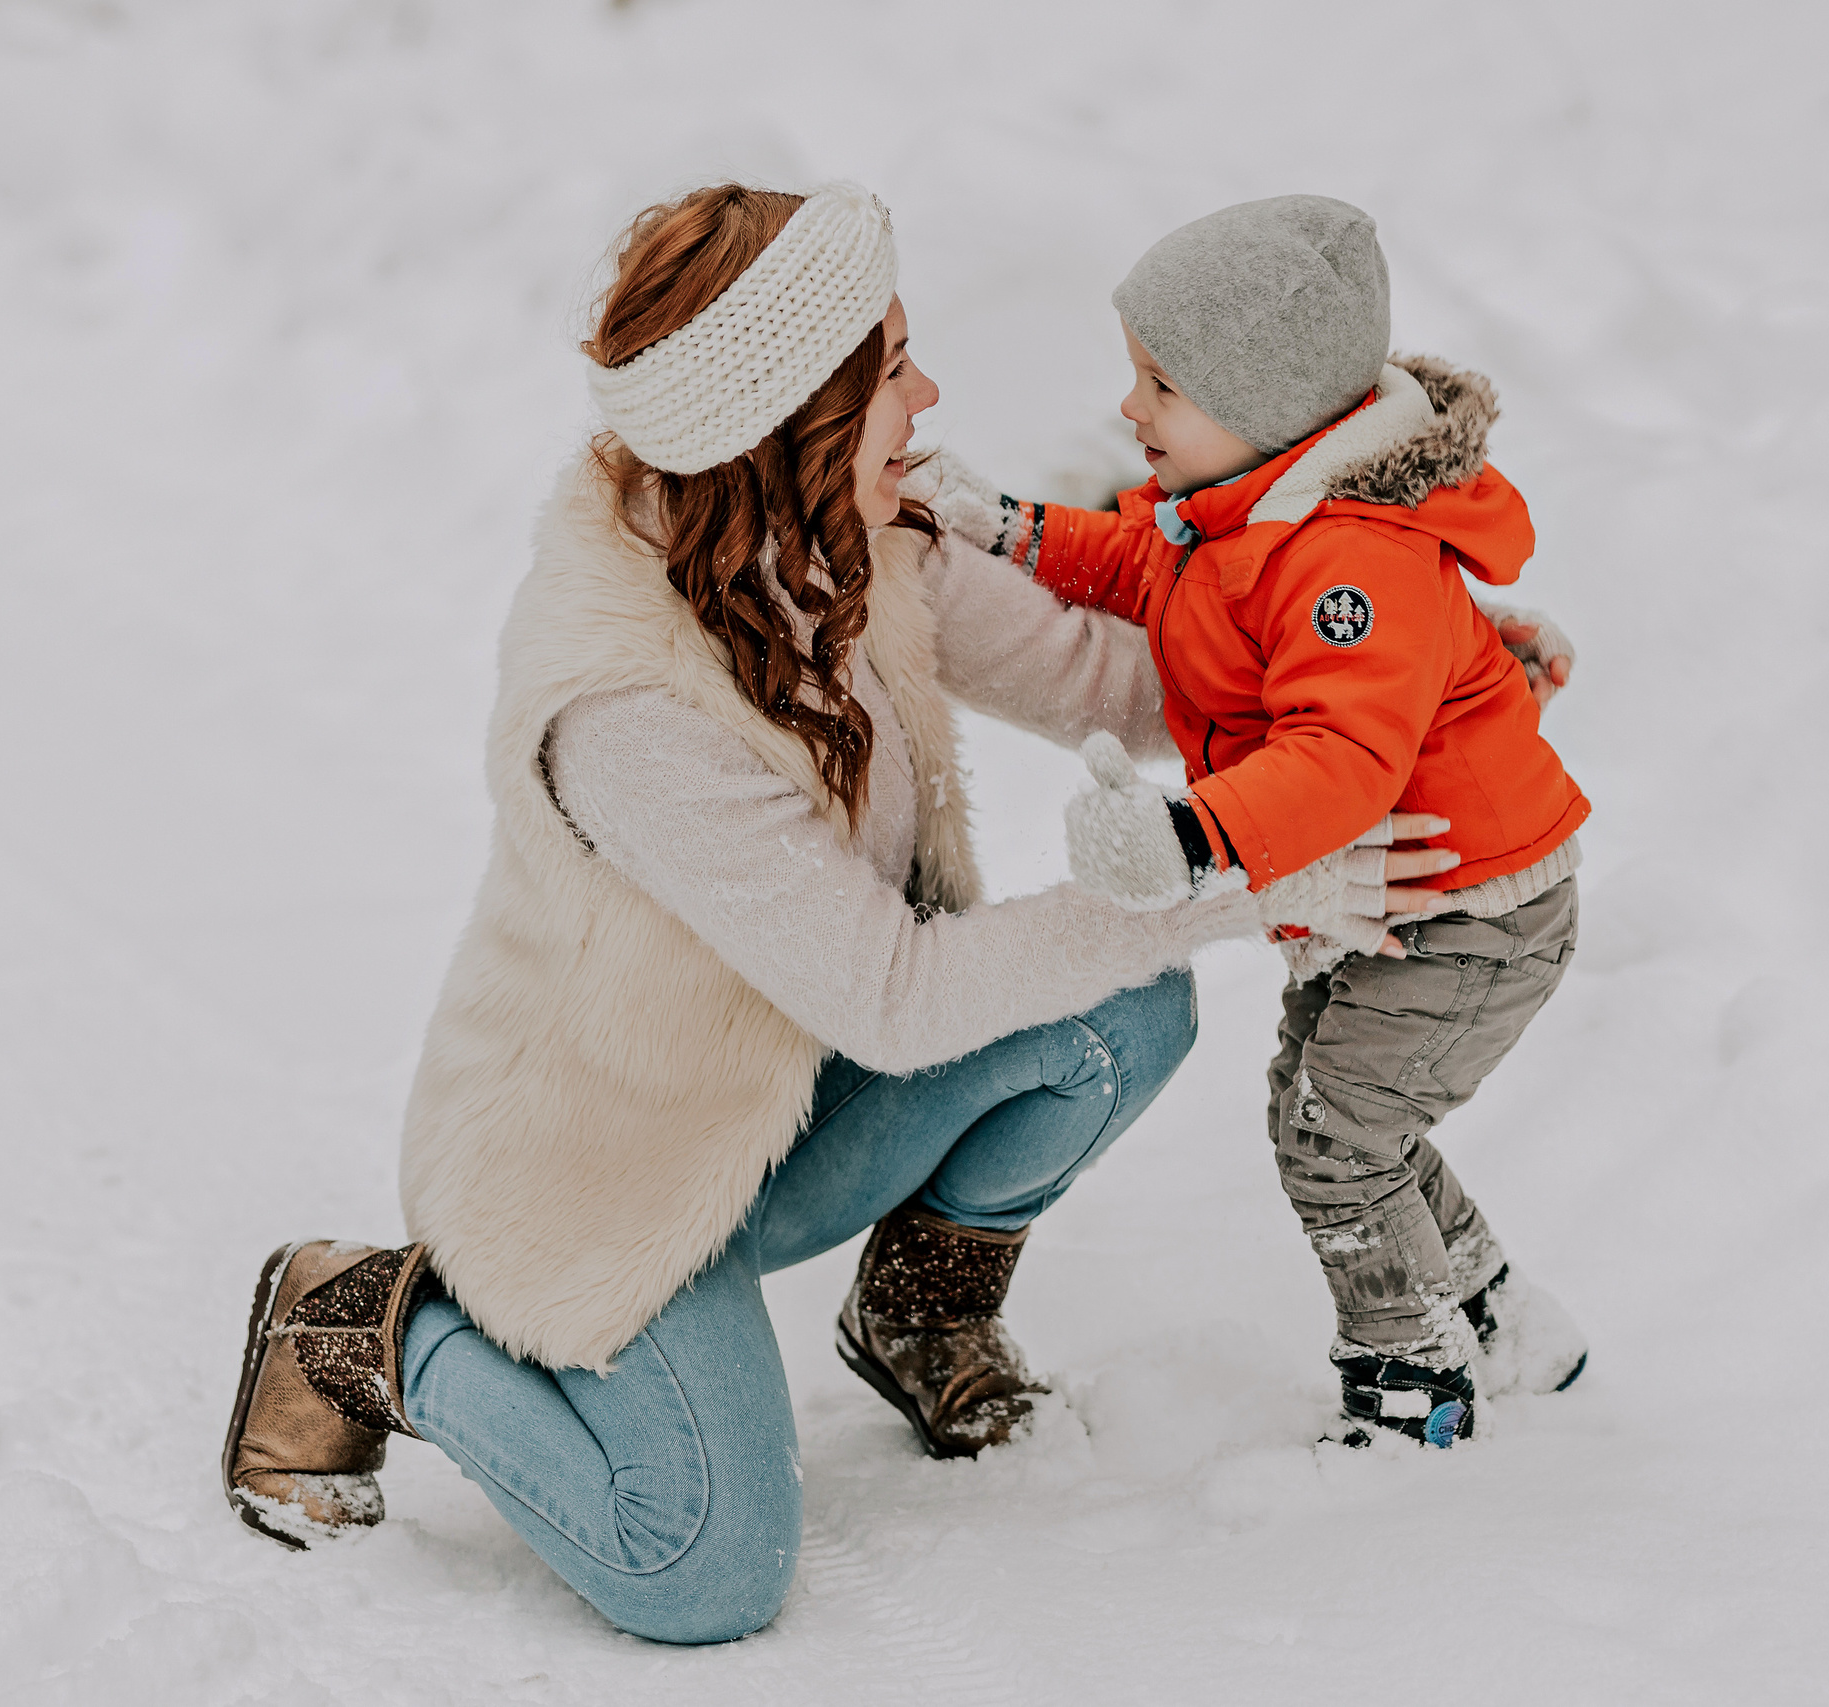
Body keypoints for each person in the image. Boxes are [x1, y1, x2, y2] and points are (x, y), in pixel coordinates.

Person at [213, 182, 1521, 1644]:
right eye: (894, 362)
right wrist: (1227, 884)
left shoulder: (853, 536)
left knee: (1116, 1016)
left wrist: (1417, 655)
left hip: (800, 1088)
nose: (932, 390)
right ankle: (361, 1324)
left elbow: (1117, 683)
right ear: (796, 414)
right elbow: (896, 995)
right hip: (615, 1172)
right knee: (695, 1566)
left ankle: (920, 1307)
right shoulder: (628, 706)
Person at [927, 196, 1593, 1450]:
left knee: (1337, 1138)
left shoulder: (1343, 562)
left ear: (1270, 402)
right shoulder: (1238, 508)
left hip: (1470, 914)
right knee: (1331, 1115)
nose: (1132, 410)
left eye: (1161, 385)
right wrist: (1006, 526)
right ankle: (1492, 1315)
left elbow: (1341, 758)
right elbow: (1136, 564)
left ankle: (1412, 1389)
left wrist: (1191, 840)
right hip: (1407, 905)